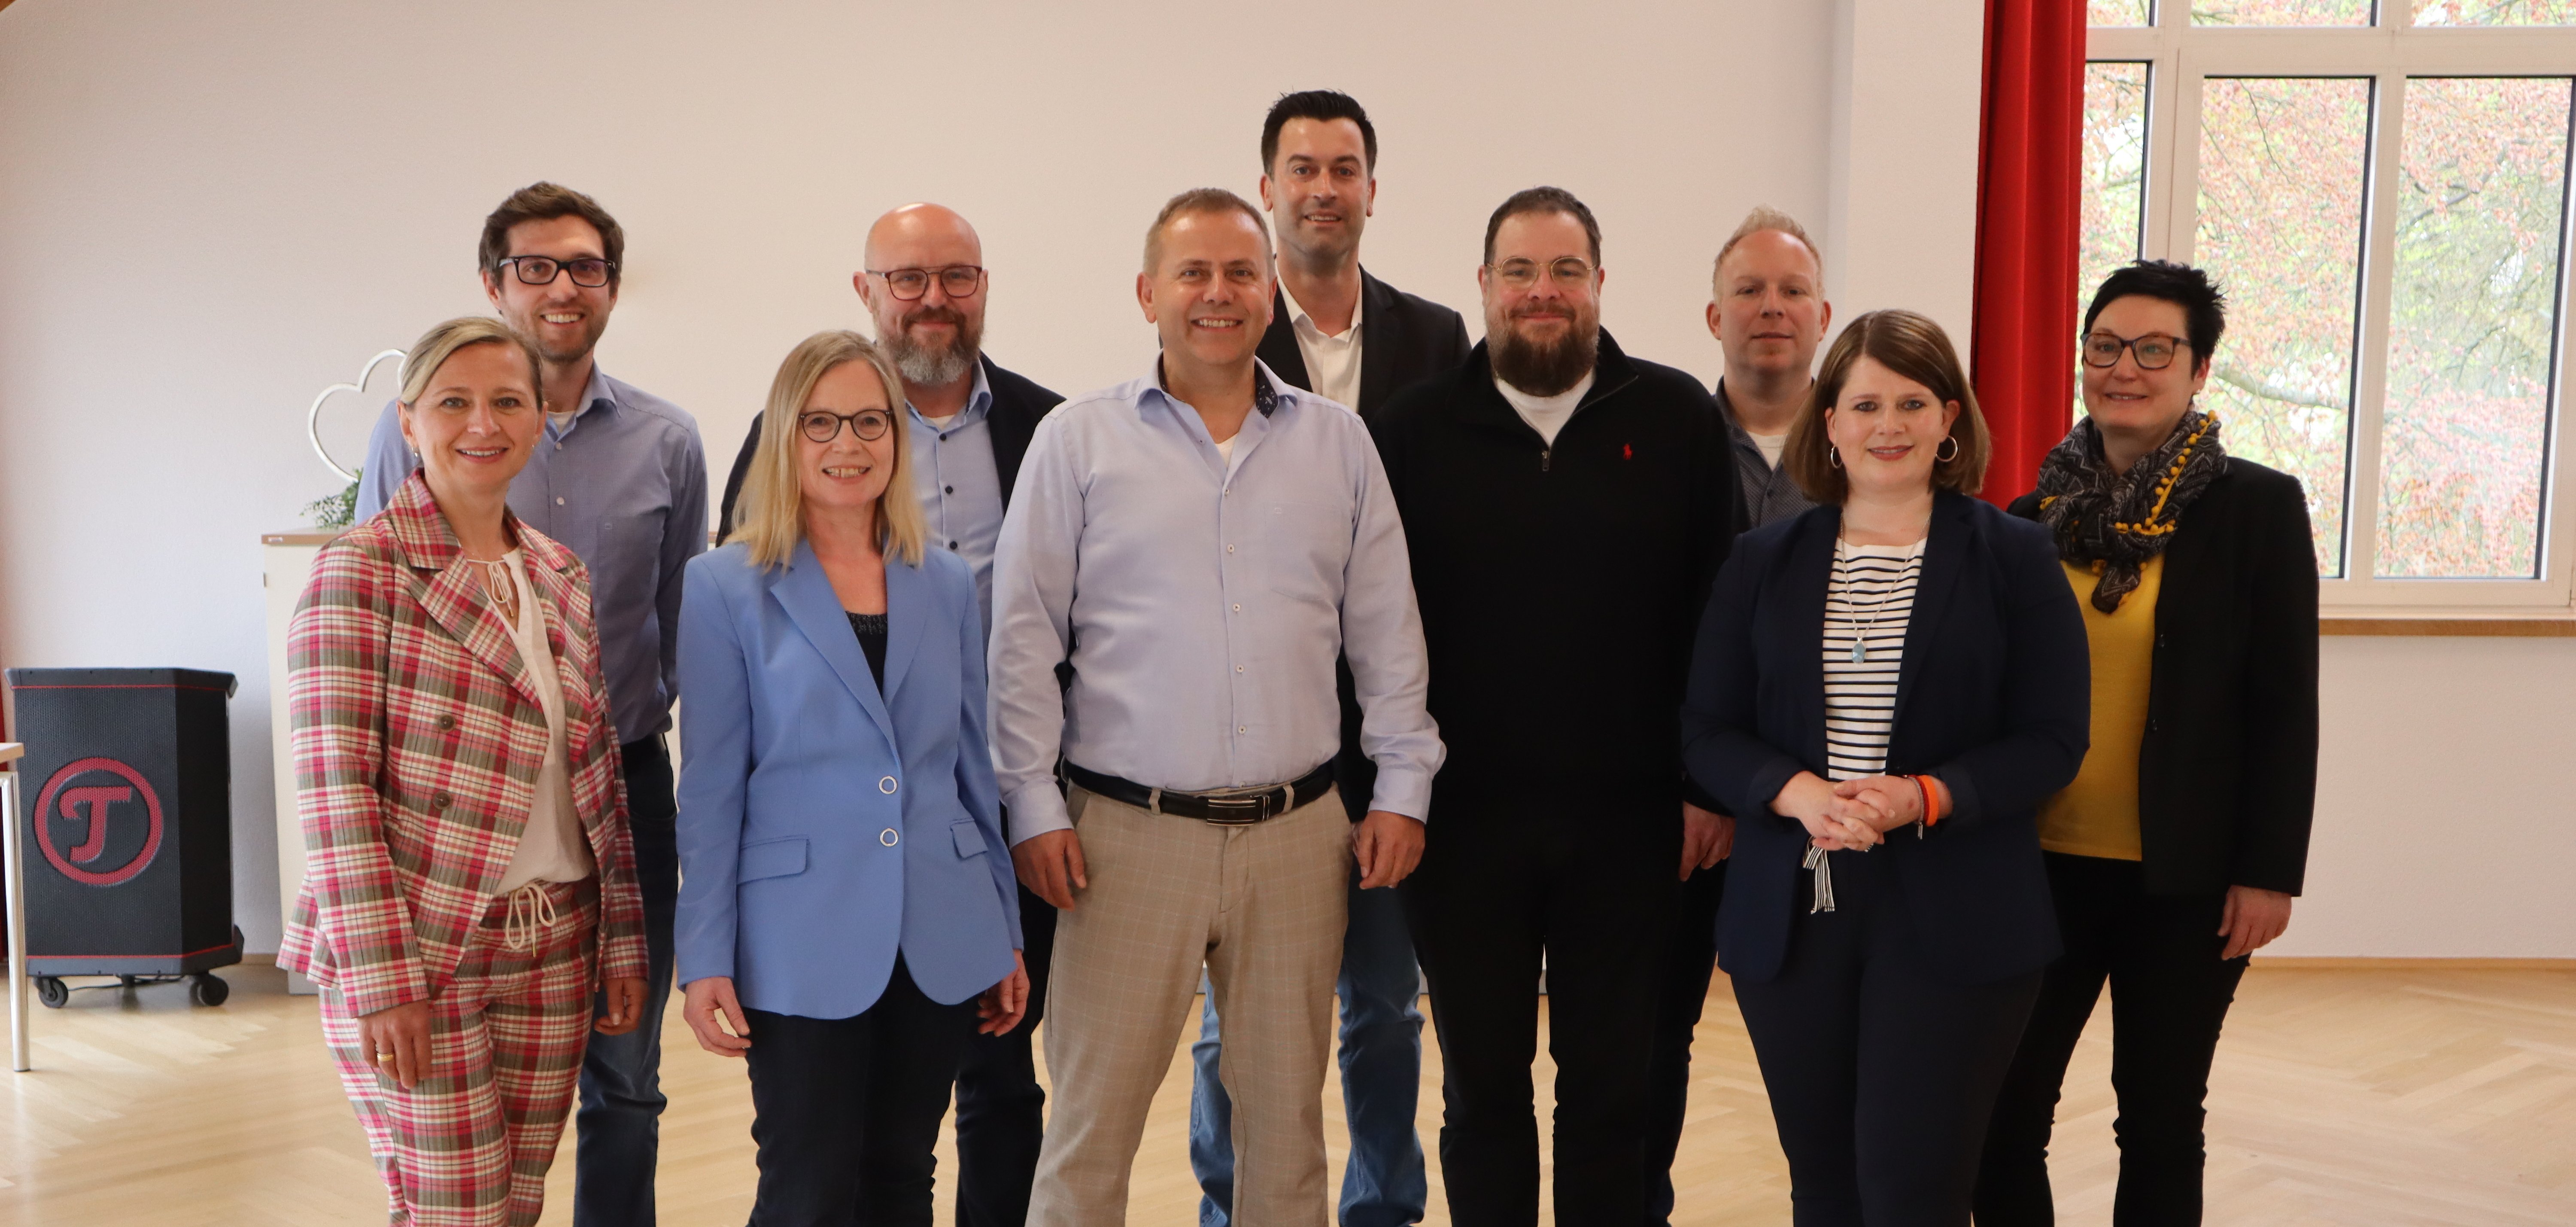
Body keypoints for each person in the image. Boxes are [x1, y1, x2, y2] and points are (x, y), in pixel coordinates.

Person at [990, 188, 1443, 1227]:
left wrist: (1403, 786)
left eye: (1241, 272)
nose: (1218, 293)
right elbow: (1020, 645)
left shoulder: (1339, 445)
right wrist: (1032, 806)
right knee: (1090, 1137)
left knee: (1286, 1141)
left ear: (1271, 291)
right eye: (1192, 272)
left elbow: (1388, 634)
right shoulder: (1077, 442)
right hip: (1122, 842)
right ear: (1147, 293)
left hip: (1300, 842)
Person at [1370, 186, 1741, 1225]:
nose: (1544, 292)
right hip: (1460, 828)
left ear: (1599, 284)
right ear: (1484, 286)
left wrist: (1708, 786)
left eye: (1566, 271)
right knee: (1482, 1093)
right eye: (1521, 272)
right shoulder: (1411, 431)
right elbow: (1372, 630)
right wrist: (1385, 793)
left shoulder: (1677, 419)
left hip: (1632, 827)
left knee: (1614, 1095)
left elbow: (1716, 619)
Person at [1680, 309, 2090, 1227]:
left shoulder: (2016, 556)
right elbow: (1707, 728)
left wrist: (1925, 795)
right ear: (1829, 422)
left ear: (1950, 419)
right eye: (1865, 404)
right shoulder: (1762, 561)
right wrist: (1794, 792)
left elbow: (2055, 737)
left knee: (1915, 1192)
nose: (1889, 425)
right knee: (1823, 1188)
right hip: (1796, 912)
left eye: (1912, 402)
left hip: (1956, 911)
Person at [352, 182, 706, 1227]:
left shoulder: (667, 441)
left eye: (585, 267)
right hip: (450, 817)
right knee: (457, 1156)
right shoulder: (407, 443)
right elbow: (385, 614)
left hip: (612, 788)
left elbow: (687, 629)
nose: (562, 287)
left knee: (624, 1078)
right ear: (494, 283)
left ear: (612, 287)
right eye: (536, 267)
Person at [713, 204, 1065, 1227]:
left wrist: (1003, 909)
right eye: (908, 277)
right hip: (810, 905)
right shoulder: (736, 566)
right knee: (812, 1177)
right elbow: (721, 767)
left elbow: (981, 753)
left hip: (964, 860)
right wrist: (708, 953)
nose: (932, 297)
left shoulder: (1037, 442)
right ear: (868, 290)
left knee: (950, 1136)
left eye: (956, 275)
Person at [282, 316, 653, 1227]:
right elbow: (335, 793)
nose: (482, 423)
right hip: (424, 950)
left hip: (555, 940)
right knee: (460, 1211)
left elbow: (598, 771)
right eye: (454, 402)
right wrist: (385, 982)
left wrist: (622, 943)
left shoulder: (560, 574)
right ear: (409, 422)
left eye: (507, 402)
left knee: (516, 1207)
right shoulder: (359, 572)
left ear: (538, 419)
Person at [1977, 261, 2318, 1227]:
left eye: (2154, 350)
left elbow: (2285, 704)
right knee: (2003, 1113)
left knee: (2160, 1119)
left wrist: (2269, 871)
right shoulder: (2030, 519)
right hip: (2038, 866)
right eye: (2105, 346)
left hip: (2188, 879)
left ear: (2199, 369)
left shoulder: (2257, 509)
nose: (2124, 368)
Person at [1191, 88, 1470, 1227]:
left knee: (1386, 1007)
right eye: (1301, 169)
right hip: (1260, 734)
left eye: (1342, 169)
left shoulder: (1437, 339)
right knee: (1236, 1018)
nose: (1322, 189)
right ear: (1268, 190)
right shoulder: (1218, 327)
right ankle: (1232, 1208)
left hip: (1389, 733)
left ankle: (1382, 1207)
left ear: (1371, 189)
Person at [1640, 204, 1837, 1224]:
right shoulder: (1657, 443)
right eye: (1749, 291)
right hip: (1682, 805)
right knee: (1652, 1041)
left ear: (1824, 316)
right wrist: (1698, 786)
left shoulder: (1868, 448)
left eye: (1792, 290)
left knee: (1824, 1053)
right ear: (1713, 316)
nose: (1772, 308)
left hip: (1827, 810)